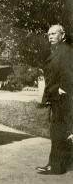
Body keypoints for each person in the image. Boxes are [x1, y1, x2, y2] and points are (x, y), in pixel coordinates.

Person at [36, 24, 73, 175]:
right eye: (49, 34)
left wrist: (63, 88)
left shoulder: (65, 50)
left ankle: (56, 167)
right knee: (58, 130)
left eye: (53, 34)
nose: (50, 36)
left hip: (62, 97)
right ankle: (58, 163)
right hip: (57, 96)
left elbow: (69, 71)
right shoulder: (57, 50)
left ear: (62, 35)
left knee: (58, 131)